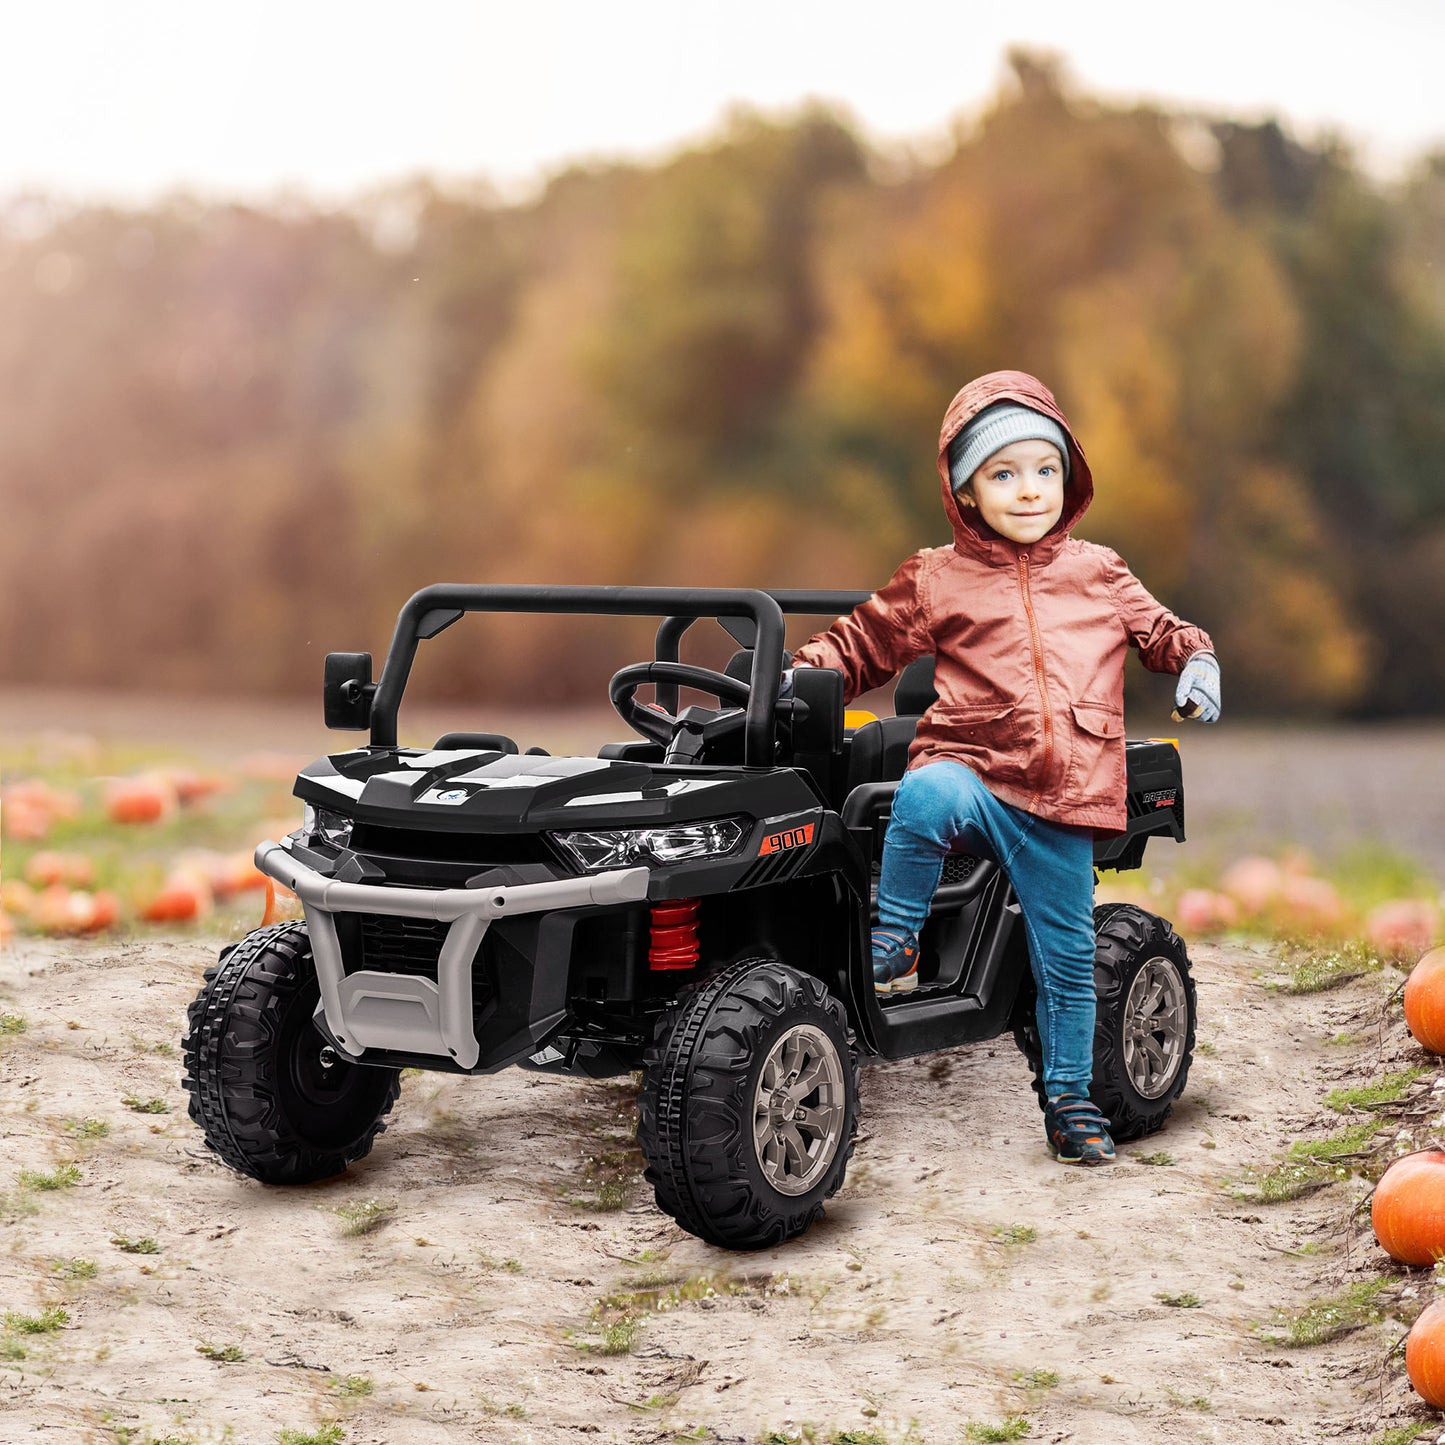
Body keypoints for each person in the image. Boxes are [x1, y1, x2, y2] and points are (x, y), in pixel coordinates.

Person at [788, 371, 1220, 1166]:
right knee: (923, 793)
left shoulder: (1099, 571)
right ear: (964, 490)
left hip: (1063, 799)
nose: (1029, 491)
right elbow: (859, 644)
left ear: (1069, 476)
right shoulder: (935, 576)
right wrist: (797, 676)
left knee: (1064, 966)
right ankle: (899, 940)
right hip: (975, 770)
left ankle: (1069, 1100)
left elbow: (1160, 630)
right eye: (1003, 474)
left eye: (1044, 470)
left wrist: (1193, 659)